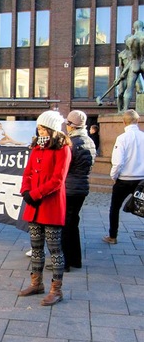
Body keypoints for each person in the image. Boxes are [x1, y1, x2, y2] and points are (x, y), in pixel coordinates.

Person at [18, 110, 72, 306]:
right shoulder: (36, 148)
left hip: (50, 205)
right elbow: (28, 172)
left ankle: (56, 290)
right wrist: (25, 190)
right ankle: (36, 283)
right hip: (34, 205)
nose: (40, 132)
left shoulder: (63, 149)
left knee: (55, 249)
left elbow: (58, 180)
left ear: (53, 130)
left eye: (44, 128)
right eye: (39, 128)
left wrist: (35, 194)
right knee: (36, 247)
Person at [61, 110, 96, 271]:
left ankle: (65, 262)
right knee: (73, 222)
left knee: (65, 225)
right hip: (82, 188)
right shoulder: (89, 141)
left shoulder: (70, 144)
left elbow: (64, 167)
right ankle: (76, 259)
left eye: (67, 124)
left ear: (71, 126)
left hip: (69, 188)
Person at [103, 109, 144, 244]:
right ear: (137, 120)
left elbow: (118, 162)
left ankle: (113, 236)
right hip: (141, 180)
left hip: (124, 179)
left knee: (115, 208)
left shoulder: (122, 138)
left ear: (123, 122)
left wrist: (114, 176)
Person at [122, 20, 144, 112]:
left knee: (129, 89)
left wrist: (124, 71)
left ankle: (125, 109)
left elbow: (129, 57)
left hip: (134, 64)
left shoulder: (129, 40)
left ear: (133, 28)